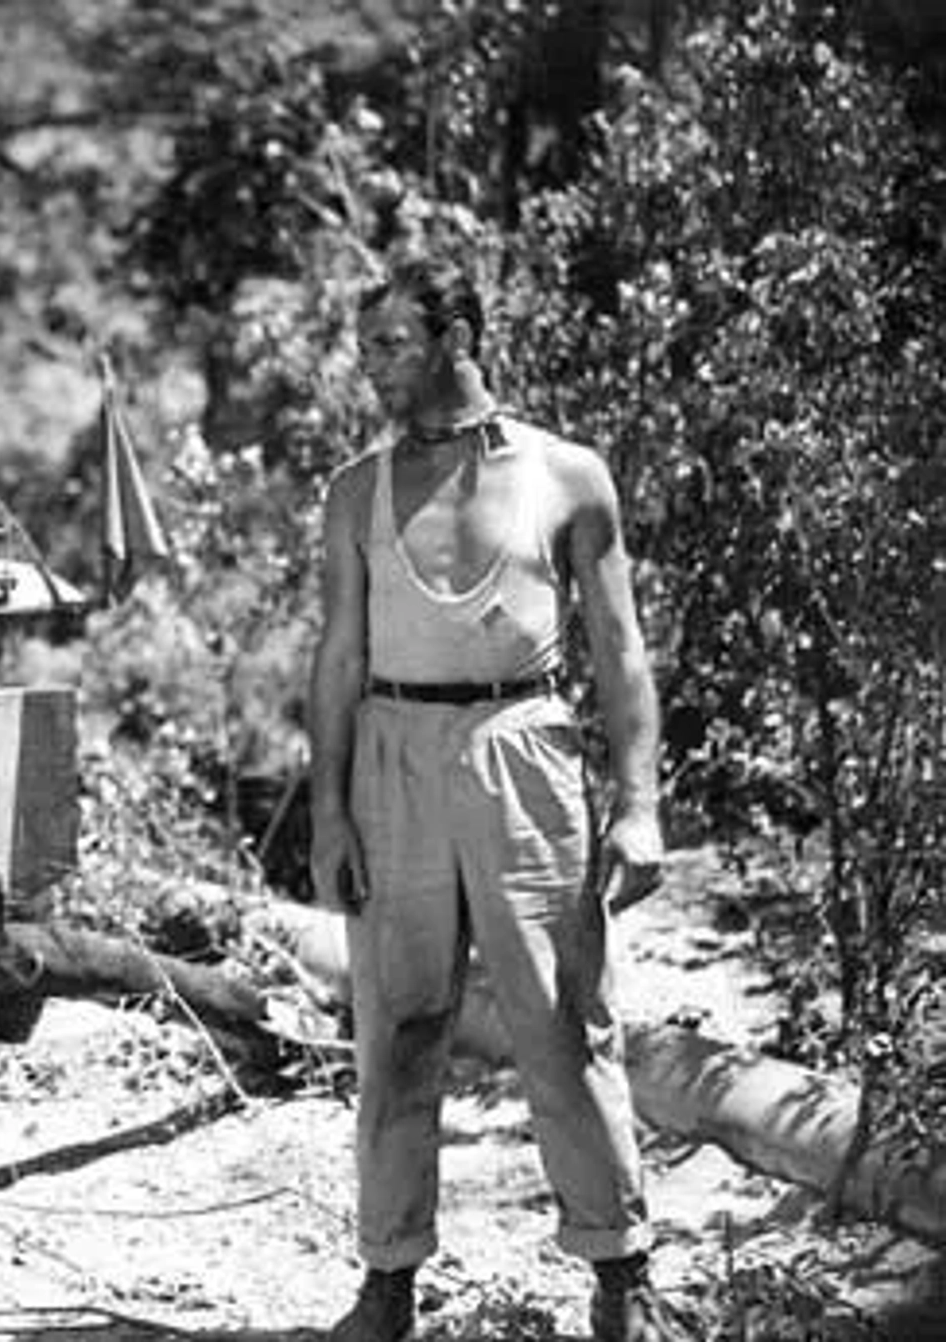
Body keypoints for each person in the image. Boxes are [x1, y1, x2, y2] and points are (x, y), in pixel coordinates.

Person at [302, 259, 682, 1342]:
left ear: (457, 335)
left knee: (563, 1024)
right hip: (392, 754)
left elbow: (619, 650)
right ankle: (388, 1279)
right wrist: (329, 812)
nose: (371, 367)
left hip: (526, 749)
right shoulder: (353, 491)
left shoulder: (567, 475)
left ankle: (620, 1271)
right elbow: (336, 658)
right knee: (398, 1026)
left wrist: (640, 803)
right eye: (366, 346)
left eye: (392, 345)